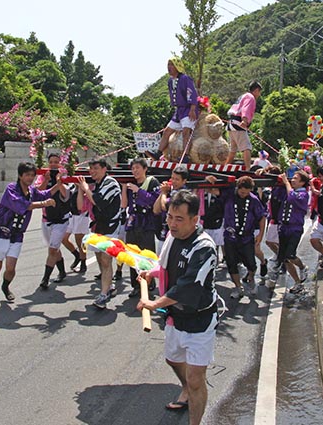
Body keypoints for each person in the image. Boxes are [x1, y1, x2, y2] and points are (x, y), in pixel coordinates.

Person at [137, 190, 219, 425]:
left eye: (179, 219)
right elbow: (165, 265)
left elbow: (187, 287)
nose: (172, 224)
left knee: (195, 379)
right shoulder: (172, 236)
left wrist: (154, 303)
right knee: (172, 360)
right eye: (170, 217)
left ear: (195, 219)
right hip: (176, 316)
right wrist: (151, 273)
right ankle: (186, 388)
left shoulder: (204, 247)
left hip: (200, 319)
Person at [0, 162, 59, 305]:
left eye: (32, 175)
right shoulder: (11, 189)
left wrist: (57, 184)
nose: (30, 178)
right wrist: (45, 204)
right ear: (20, 175)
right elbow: (23, 205)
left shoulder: (31, 191)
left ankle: (5, 287)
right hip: (1, 232)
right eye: (27, 175)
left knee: (11, 268)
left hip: (17, 234)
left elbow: (43, 194)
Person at [208, 175, 266, 299]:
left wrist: (260, 235)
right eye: (241, 190)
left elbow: (262, 217)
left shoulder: (254, 200)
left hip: (247, 238)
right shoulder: (229, 195)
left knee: (251, 263)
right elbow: (214, 191)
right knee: (231, 263)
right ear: (237, 187)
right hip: (230, 237)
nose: (243, 193)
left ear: (250, 190)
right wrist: (210, 181)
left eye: (246, 191)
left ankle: (251, 278)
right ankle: (238, 286)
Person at [77, 158, 122, 309]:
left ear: (104, 169)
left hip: (110, 226)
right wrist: (80, 189)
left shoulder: (111, 183)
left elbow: (99, 201)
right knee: (99, 257)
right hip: (98, 226)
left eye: (96, 168)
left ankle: (104, 294)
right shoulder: (96, 184)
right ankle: (108, 286)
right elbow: (80, 206)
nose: (93, 171)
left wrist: (85, 188)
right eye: (91, 169)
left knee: (105, 259)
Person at [121, 158, 160, 298]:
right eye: (133, 168)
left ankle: (149, 282)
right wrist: (125, 189)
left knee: (146, 254)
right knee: (132, 254)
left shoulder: (152, 182)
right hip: (132, 222)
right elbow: (124, 205)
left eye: (138, 167)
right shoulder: (130, 184)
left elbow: (156, 201)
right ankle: (136, 285)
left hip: (147, 222)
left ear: (145, 169)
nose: (135, 171)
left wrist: (139, 191)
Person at [36, 153, 72, 289]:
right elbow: (36, 193)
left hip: (61, 220)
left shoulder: (65, 177)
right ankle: (62, 271)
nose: (53, 164)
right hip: (46, 219)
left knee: (52, 250)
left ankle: (45, 279)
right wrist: (45, 180)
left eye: (56, 162)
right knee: (53, 248)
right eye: (51, 162)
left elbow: (66, 195)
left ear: (60, 164)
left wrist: (59, 182)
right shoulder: (43, 176)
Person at [153, 57, 199, 158]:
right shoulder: (170, 81)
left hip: (188, 109)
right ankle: (158, 153)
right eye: (168, 65)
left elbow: (192, 93)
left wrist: (192, 109)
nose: (169, 67)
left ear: (177, 66)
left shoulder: (185, 79)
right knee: (167, 131)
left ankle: (185, 156)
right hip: (179, 110)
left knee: (186, 131)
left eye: (171, 65)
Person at [278, 171, 310, 293]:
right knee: (285, 258)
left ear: (302, 182)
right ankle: (297, 282)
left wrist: (286, 182)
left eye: (296, 178)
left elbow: (292, 197)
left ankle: (302, 267)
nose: (292, 180)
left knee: (290, 255)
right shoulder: (288, 189)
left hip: (295, 228)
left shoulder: (303, 194)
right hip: (284, 227)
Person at [225, 81, 262, 170]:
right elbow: (246, 109)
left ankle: (225, 167)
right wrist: (244, 120)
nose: (259, 94)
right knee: (247, 147)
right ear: (256, 90)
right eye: (259, 92)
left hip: (231, 123)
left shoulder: (243, 96)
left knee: (233, 149)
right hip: (239, 123)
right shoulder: (250, 97)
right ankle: (248, 169)